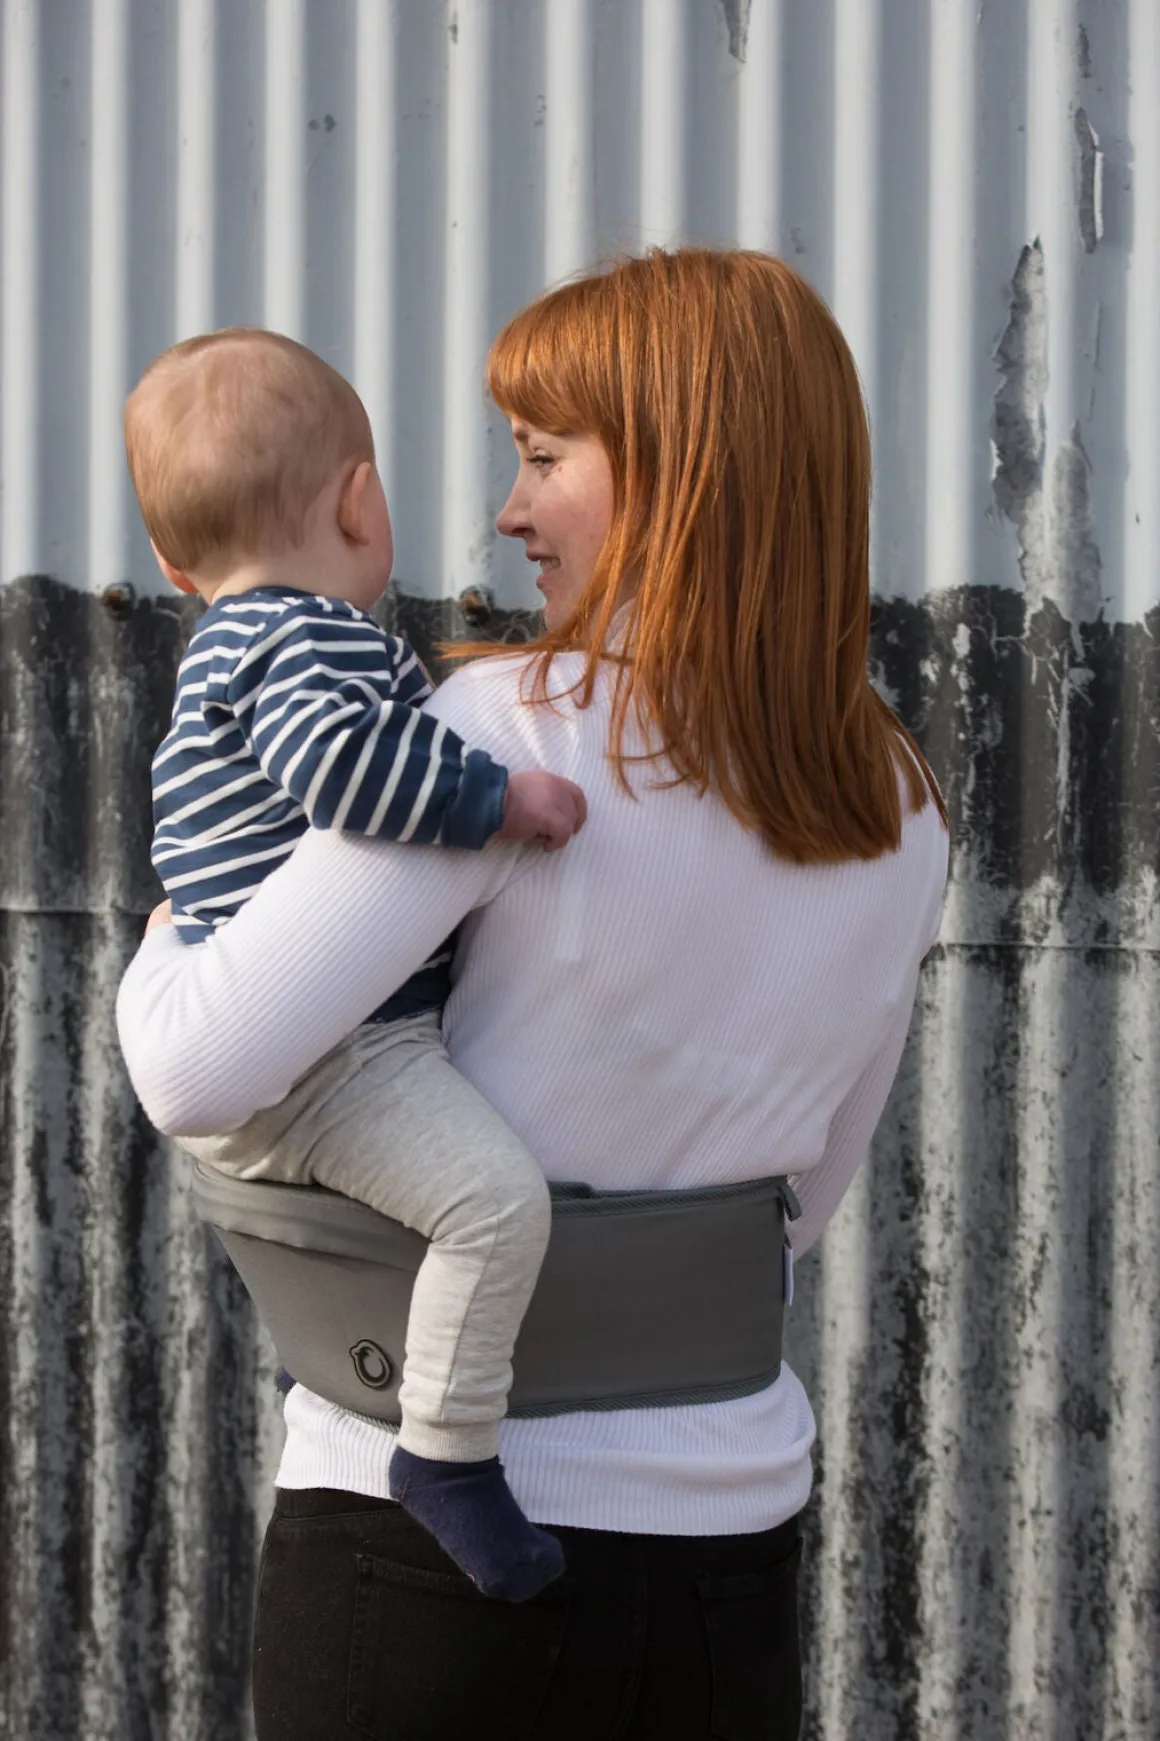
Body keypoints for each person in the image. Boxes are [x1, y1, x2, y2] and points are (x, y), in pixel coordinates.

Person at [117, 249, 949, 1740]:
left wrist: (185, 901)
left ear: (683, 469)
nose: (507, 511)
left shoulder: (507, 734)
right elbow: (797, 1210)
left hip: (424, 1552)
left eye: (546, 455)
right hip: (727, 1563)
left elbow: (193, 1068)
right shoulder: (900, 803)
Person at [124, 328, 589, 1600]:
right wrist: (497, 799)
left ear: (171, 562)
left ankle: (352, 1369)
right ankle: (444, 1455)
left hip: (265, 1037)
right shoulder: (311, 636)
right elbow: (347, 778)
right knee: (493, 1205)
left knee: (393, 1216)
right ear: (357, 498)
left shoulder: (220, 648)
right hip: (336, 1048)